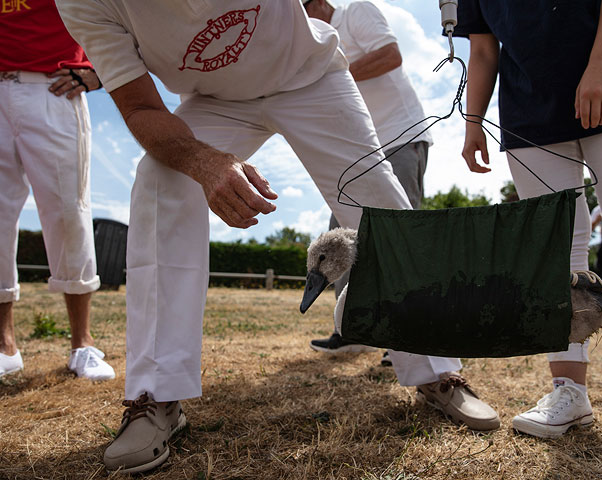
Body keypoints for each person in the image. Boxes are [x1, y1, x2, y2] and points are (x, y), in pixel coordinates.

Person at [56, 0, 499, 472]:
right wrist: (203, 161)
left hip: (309, 77)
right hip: (214, 99)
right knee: (160, 181)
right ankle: (157, 393)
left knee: (380, 206)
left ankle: (437, 372)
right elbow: (141, 106)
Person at [457, 0, 602, 438]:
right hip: (528, 111)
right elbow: (484, 49)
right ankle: (569, 393)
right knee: (556, 252)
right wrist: (472, 121)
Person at [305, 1, 432, 365]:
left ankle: (403, 337)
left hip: (401, 136)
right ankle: (353, 329)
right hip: (359, 150)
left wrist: (331, 74)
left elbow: (390, 55)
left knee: (399, 234)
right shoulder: (315, 46)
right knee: (338, 236)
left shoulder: (356, 12)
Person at [0, 0, 115, 382]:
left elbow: (132, 16)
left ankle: (82, 344)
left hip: (51, 88)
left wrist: (101, 71)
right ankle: (4, 346)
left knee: (68, 213)